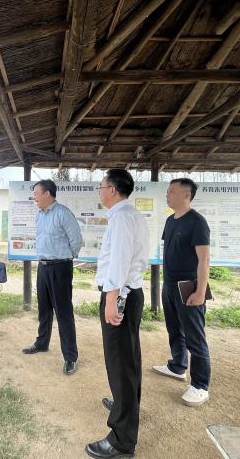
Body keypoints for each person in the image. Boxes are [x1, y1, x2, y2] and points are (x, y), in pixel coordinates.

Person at [85, 169, 149, 459]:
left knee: (119, 362)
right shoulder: (130, 214)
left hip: (120, 294)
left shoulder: (122, 217)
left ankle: (122, 441)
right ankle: (127, 405)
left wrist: (111, 298)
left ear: (112, 189)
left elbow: (120, 260)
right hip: (129, 292)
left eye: (101, 186)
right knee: (129, 357)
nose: (99, 191)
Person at [152, 178, 212, 407]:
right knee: (174, 329)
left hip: (189, 286)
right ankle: (178, 366)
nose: (167, 195)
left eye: (172, 192)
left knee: (195, 337)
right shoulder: (170, 220)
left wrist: (200, 291)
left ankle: (200, 385)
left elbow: (204, 260)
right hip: (169, 284)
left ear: (187, 195)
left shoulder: (197, 222)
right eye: (167, 192)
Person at [22, 179, 83, 376]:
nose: (34, 197)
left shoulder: (63, 213)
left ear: (47, 193)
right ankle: (42, 343)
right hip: (43, 267)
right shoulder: (40, 215)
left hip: (60, 267)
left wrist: (65, 258)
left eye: (36, 193)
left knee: (63, 312)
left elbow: (76, 240)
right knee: (44, 308)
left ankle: (70, 357)